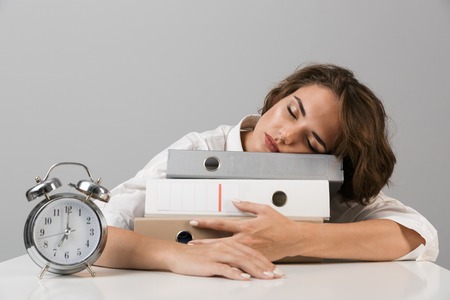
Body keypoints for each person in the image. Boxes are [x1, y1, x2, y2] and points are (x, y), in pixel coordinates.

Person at [95, 63, 438, 278]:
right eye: (291, 111)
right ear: (280, 97)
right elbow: (99, 228)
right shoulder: (200, 150)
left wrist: (297, 238)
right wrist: (177, 256)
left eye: (313, 143)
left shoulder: (326, 186)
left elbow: (418, 234)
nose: (286, 135)